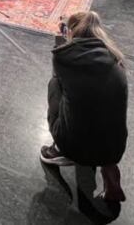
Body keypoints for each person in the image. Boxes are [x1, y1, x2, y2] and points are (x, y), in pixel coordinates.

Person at [41, 11, 128, 203]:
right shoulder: (116, 59)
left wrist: (61, 42)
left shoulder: (64, 57)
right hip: (114, 148)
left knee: (55, 86)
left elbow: (59, 79)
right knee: (101, 104)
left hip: (75, 146)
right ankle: (108, 169)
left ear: (72, 32)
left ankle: (60, 149)